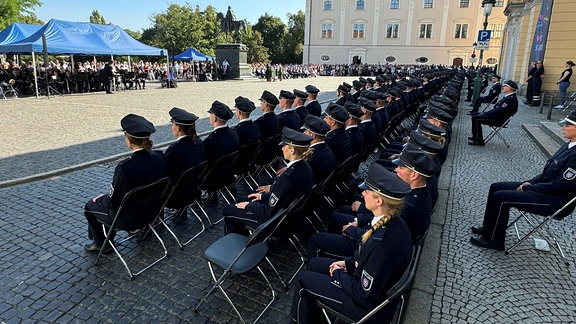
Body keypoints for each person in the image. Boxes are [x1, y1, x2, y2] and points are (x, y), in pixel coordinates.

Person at [291, 163, 412, 324]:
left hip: (364, 307)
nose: (362, 194)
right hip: (368, 286)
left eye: (367, 191)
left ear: (379, 201)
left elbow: (363, 294)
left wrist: (339, 274)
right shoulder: (395, 223)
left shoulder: (381, 244)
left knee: (302, 279)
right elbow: (367, 263)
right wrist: (347, 263)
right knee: (314, 264)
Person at [470, 110, 576, 251]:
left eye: (567, 125)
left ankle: (495, 241)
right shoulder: (569, 144)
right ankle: (488, 228)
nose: (563, 127)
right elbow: (547, 173)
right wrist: (530, 182)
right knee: (496, 187)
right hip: (545, 189)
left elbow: (560, 186)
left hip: (555, 200)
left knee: (501, 197)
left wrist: (529, 188)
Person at [83, 114, 167, 253]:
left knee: (89, 206)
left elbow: (114, 201)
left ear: (128, 140)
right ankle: (142, 231)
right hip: (153, 211)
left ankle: (102, 244)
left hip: (130, 219)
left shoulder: (125, 167)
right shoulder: (159, 157)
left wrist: (101, 199)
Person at [222, 127, 314, 235]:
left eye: (285, 146)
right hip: (286, 214)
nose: (282, 148)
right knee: (244, 198)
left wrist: (248, 205)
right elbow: (283, 195)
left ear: (292, 150)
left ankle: (237, 243)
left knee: (227, 210)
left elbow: (268, 211)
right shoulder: (305, 167)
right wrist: (261, 197)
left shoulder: (287, 178)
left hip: (272, 222)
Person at [202, 101, 240, 197]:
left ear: (214, 118)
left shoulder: (209, 141)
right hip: (229, 173)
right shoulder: (234, 133)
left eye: (210, 114)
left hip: (214, 179)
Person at [468, 80, 519, 146]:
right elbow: (496, 107)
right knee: (474, 115)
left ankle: (479, 141)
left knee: (476, 118)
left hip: (499, 119)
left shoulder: (511, 99)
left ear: (510, 88)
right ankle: (475, 137)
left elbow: (499, 111)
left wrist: (484, 114)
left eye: (505, 86)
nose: (503, 87)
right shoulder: (508, 96)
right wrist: (484, 113)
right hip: (496, 116)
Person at [164, 107, 204, 184]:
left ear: (178, 128)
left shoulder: (174, 150)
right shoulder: (199, 142)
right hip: (195, 185)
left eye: (173, 125)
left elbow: (168, 174)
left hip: (179, 191)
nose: (172, 128)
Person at [301, 115, 335, 184]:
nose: (303, 133)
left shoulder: (312, 157)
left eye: (305, 131)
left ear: (312, 135)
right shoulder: (327, 149)